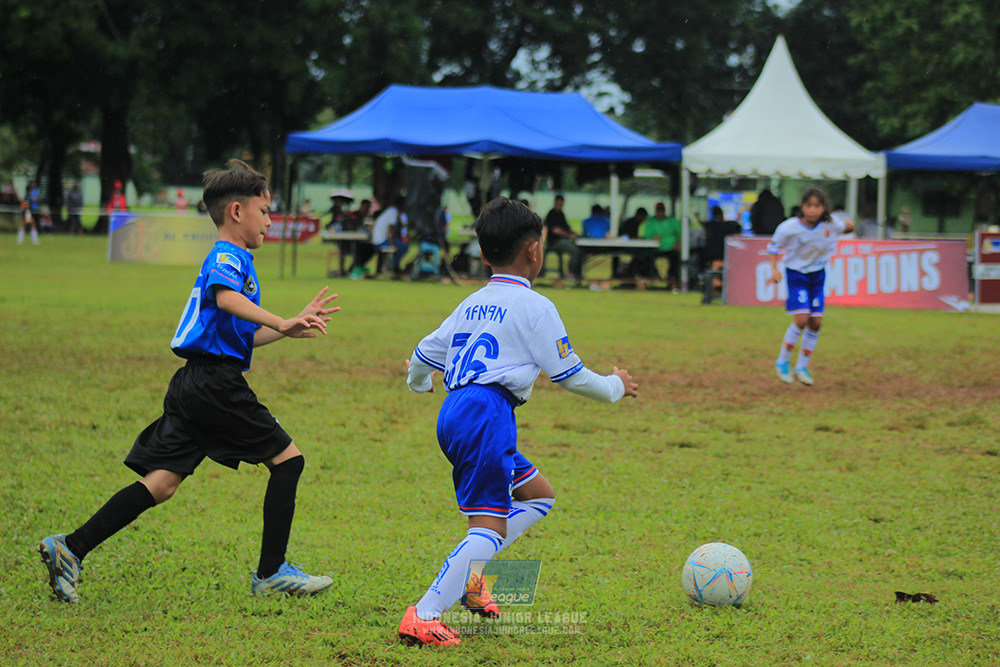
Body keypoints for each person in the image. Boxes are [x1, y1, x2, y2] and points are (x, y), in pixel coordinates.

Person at [37, 159, 340, 604]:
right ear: (236, 211)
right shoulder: (228, 255)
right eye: (265, 210)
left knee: (161, 483)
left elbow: (239, 334)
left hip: (197, 382)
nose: (270, 220)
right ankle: (271, 572)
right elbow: (227, 298)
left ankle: (71, 547)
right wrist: (280, 318)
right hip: (215, 384)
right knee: (288, 461)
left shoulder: (234, 258)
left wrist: (286, 328)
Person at [398, 197, 638, 647]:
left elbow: (422, 355)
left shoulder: (471, 303)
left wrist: (418, 385)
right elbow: (571, 375)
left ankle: (472, 583)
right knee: (488, 525)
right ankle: (425, 614)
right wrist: (616, 386)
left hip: (456, 412)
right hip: (487, 415)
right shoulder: (536, 306)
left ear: (484, 254)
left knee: (539, 496)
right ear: (534, 250)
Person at [767, 186, 854, 386]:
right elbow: (773, 248)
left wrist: (850, 225)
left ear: (824, 208)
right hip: (796, 274)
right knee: (801, 319)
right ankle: (782, 361)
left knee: (816, 323)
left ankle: (801, 367)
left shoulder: (831, 224)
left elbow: (846, 227)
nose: (812, 210)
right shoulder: (789, 227)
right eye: (808, 205)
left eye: (817, 206)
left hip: (817, 275)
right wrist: (774, 269)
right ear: (802, 206)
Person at [642, 202, 682, 291]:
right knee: (645, 256)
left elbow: (679, 235)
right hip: (655, 249)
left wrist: (678, 243)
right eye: (658, 210)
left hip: (670, 248)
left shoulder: (672, 221)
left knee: (676, 257)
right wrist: (652, 238)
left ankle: (672, 278)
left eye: (662, 210)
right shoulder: (651, 221)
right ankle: (653, 276)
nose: (660, 212)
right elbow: (647, 236)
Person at [702, 205, 741, 293]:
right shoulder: (727, 226)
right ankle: (719, 285)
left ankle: (713, 288)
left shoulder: (709, 225)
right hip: (724, 253)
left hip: (711, 253)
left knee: (714, 269)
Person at [543, 194, 581, 279]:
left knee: (579, 249)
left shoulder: (561, 214)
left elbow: (566, 227)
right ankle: (571, 272)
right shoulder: (552, 214)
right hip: (555, 242)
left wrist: (573, 233)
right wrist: (569, 235)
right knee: (575, 251)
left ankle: (577, 273)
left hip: (562, 240)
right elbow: (555, 230)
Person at [371, 195, 409, 276]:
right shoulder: (393, 212)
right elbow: (391, 228)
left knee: (401, 245)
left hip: (379, 240)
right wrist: (392, 244)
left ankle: (392, 265)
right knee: (404, 247)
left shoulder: (391, 211)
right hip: (381, 241)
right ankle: (393, 266)